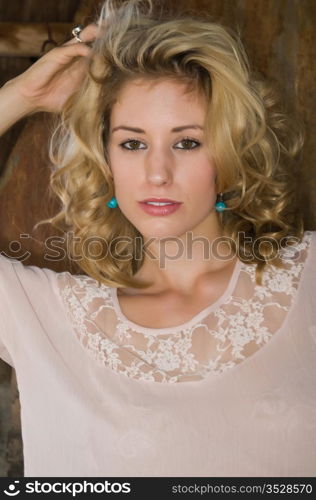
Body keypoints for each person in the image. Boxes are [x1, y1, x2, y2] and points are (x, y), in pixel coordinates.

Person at [0, 0, 315, 478]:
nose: (157, 172)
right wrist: (20, 96)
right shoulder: (41, 318)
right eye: (132, 143)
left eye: (187, 142)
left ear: (230, 151)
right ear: (105, 158)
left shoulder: (308, 275)